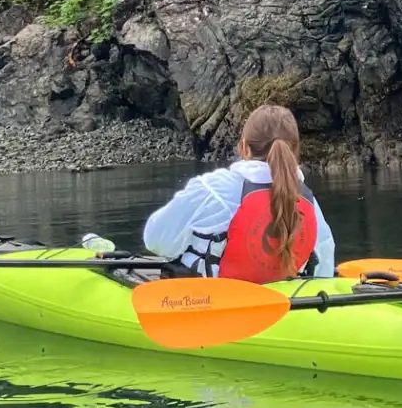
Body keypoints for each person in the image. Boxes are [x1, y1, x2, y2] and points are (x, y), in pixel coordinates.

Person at [145, 104, 338, 282]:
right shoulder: (308, 200)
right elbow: (324, 264)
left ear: (244, 148)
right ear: (295, 151)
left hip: (213, 302)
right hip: (281, 304)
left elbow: (155, 240)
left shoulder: (214, 188)